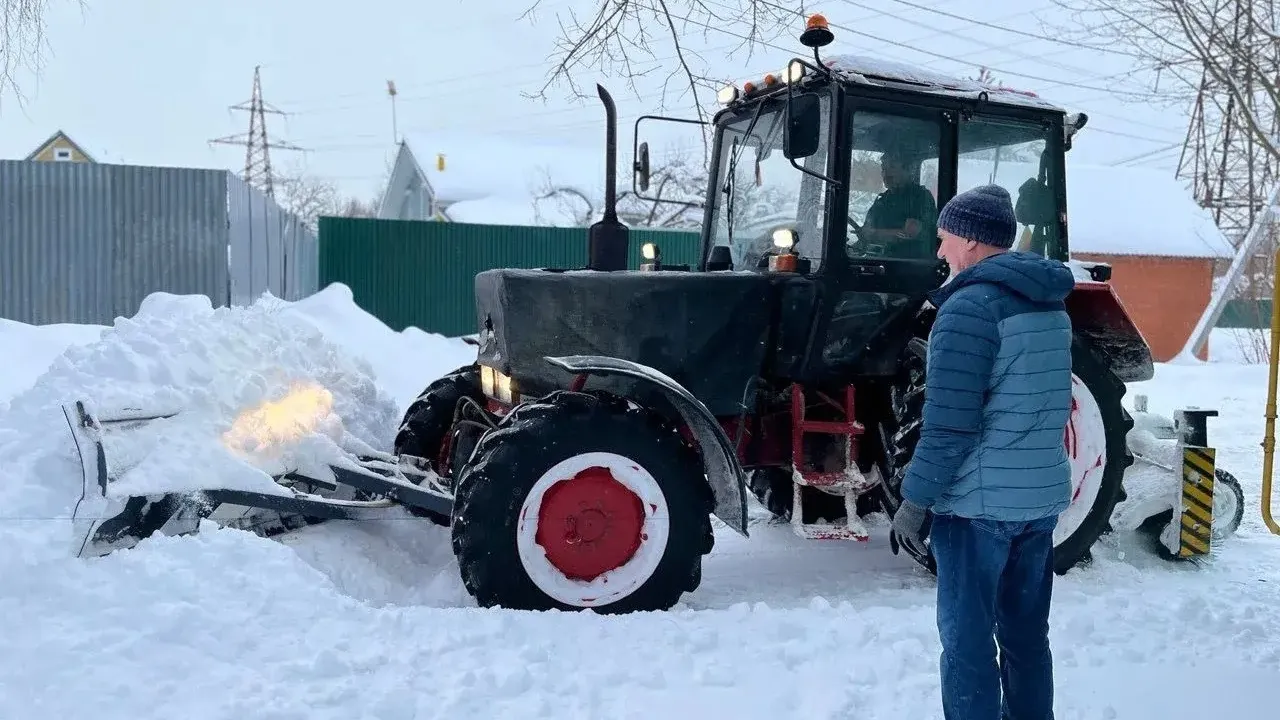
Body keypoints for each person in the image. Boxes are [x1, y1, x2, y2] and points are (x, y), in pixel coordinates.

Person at [889, 184, 1076, 720]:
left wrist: (915, 501)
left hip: (976, 510)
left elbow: (949, 426)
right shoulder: (1050, 303)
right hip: (1038, 503)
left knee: (969, 647)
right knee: (1025, 639)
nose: (940, 250)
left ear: (971, 241)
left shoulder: (968, 310)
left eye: (945, 237)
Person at [858, 149, 938, 258]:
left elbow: (910, 233)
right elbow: (867, 229)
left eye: (892, 167)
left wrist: (873, 234)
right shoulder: (883, 199)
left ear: (908, 170)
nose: (886, 173)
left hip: (908, 265)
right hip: (878, 260)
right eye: (883, 168)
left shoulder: (920, 197)